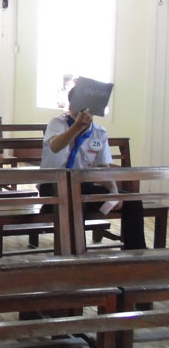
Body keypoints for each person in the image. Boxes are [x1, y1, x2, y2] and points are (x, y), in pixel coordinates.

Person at [39, 88, 146, 250]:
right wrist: (77, 126)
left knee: (132, 201)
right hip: (54, 186)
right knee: (76, 199)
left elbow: (103, 166)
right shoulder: (57, 124)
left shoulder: (99, 132)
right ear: (71, 105)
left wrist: (114, 192)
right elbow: (55, 146)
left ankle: (137, 254)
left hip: (84, 187)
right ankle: (74, 254)